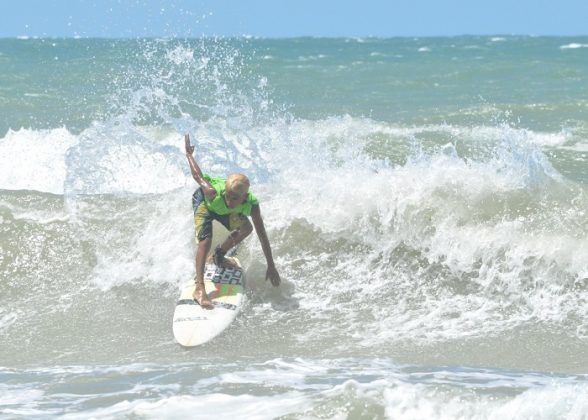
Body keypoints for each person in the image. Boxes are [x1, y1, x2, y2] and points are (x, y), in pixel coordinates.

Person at [184, 134, 281, 309]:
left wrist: (271, 266)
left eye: (235, 198)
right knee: (205, 241)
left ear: (244, 197)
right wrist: (189, 155)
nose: (229, 201)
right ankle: (199, 288)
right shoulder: (214, 192)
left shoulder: (252, 206)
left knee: (247, 227)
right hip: (205, 204)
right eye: (227, 196)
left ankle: (219, 255)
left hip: (222, 211)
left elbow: (262, 235)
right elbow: (198, 177)